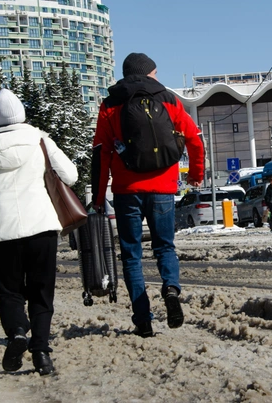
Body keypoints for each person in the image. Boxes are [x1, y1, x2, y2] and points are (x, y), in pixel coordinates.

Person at [0, 88, 78, 376]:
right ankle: (41, 353)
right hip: (42, 227)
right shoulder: (39, 139)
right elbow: (71, 175)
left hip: (1, 233)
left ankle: (17, 334)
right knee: (41, 293)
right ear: (22, 113)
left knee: (8, 292)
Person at [92, 52, 204, 337]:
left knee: (131, 256)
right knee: (164, 247)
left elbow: (100, 154)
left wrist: (98, 196)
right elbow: (193, 139)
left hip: (127, 191)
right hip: (163, 188)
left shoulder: (110, 104)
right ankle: (170, 289)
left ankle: (142, 319)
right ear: (149, 73)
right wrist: (196, 174)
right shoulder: (168, 99)